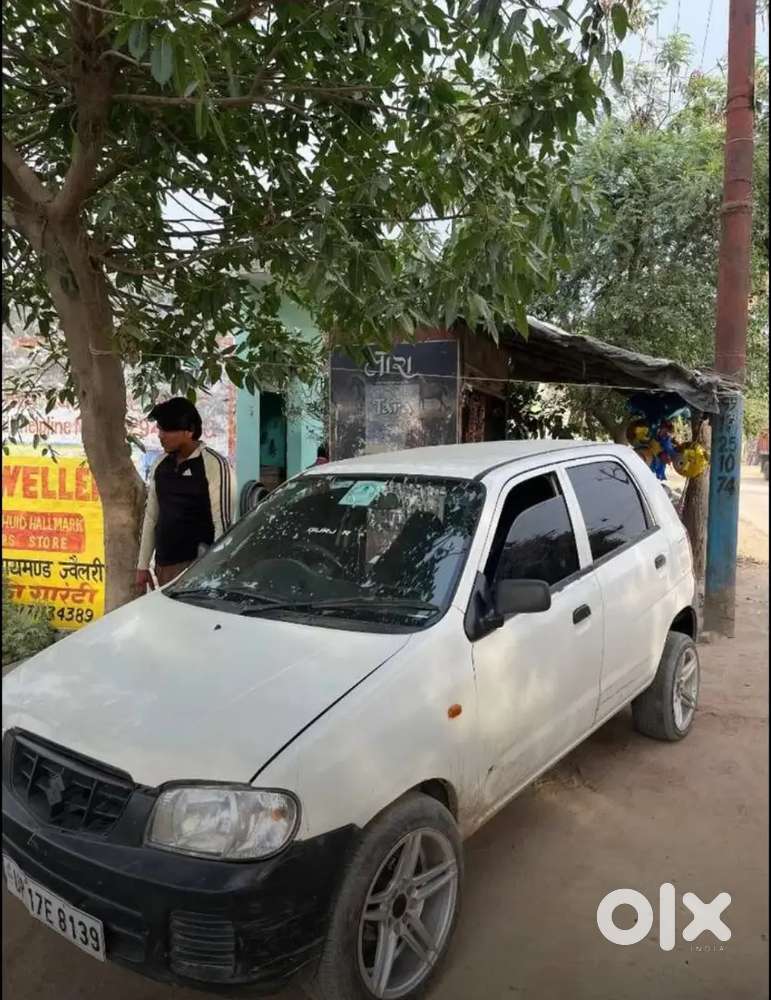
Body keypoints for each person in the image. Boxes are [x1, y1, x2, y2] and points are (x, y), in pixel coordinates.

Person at [135, 398, 237, 593]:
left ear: (188, 431)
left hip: (196, 567)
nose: (161, 436)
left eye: (167, 430)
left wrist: (215, 570)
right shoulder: (160, 464)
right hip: (163, 566)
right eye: (159, 430)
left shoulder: (214, 464)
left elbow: (222, 523)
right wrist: (142, 565)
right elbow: (151, 517)